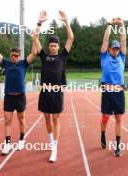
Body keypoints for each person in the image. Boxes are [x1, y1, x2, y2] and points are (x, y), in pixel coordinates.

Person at [35, 10, 74, 162]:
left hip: (57, 91)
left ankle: (55, 148)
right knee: (46, 118)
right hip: (45, 91)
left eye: (54, 45)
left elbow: (71, 38)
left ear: (58, 47)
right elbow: (35, 38)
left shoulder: (62, 55)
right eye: (50, 45)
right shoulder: (44, 56)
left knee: (56, 119)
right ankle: (51, 142)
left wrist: (66, 21)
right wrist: (39, 22)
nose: (52, 47)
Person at [0, 28, 37, 155]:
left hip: (20, 97)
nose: (15, 57)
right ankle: (7, 144)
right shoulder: (6, 63)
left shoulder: (23, 64)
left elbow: (34, 52)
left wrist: (34, 39)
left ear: (19, 56)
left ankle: (22, 140)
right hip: (8, 98)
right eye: (13, 55)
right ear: (10, 55)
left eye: (17, 56)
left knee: (21, 119)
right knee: (7, 121)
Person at [100, 17, 126, 157]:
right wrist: (110, 24)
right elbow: (105, 40)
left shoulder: (122, 57)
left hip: (119, 92)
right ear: (109, 49)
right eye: (113, 48)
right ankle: (103, 134)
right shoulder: (104, 56)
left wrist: (121, 24)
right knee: (105, 117)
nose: (116, 50)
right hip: (107, 91)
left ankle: (117, 146)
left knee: (118, 119)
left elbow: (123, 39)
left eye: (117, 48)